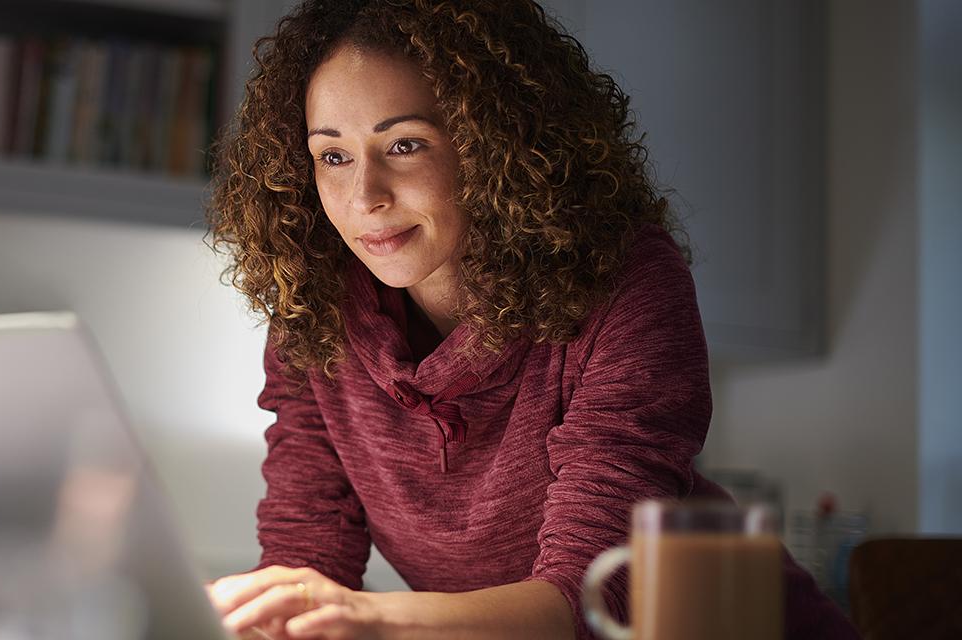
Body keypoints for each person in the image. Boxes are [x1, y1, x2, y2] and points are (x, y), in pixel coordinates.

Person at [200, 1, 859, 638]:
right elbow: (305, 559)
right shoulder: (314, 308)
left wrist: (369, 619)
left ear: (495, 146)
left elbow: (592, 601)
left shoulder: (623, 281)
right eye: (333, 156)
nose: (363, 197)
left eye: (404, 145)